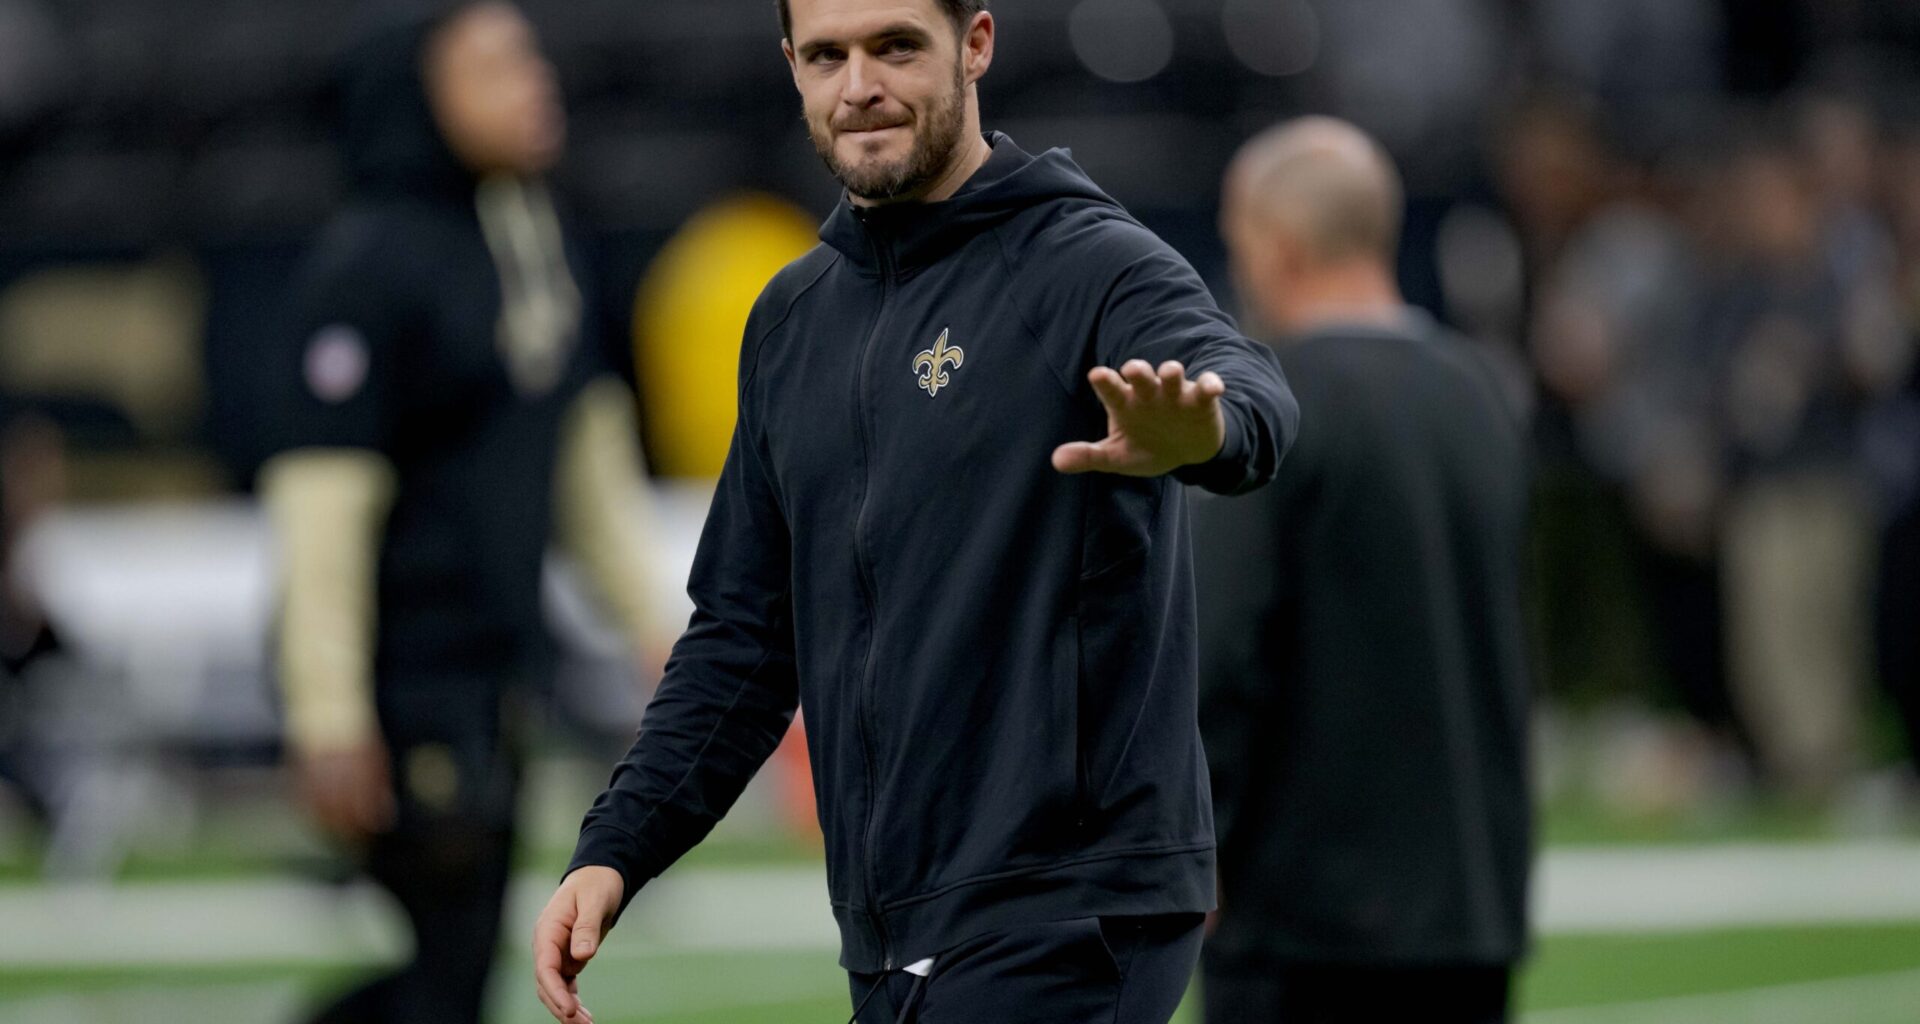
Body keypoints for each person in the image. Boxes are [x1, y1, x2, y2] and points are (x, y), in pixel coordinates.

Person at [531, 2, 1298, 1022]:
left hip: (1067, 914)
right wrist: (616, 848)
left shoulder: (1088, 261)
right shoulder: (793, 320)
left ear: (975, 45)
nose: (859, 87)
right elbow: (744, 643)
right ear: (791, 68)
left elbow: (1247, 387)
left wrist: (1206, 433)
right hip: (896, 929)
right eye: (826, 56)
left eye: (896, 46)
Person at [260, 4, 657, 1022]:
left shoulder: (532, 235)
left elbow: (585, 457)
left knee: (462, 968)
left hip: (495, 670)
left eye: (527, 55)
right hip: (408, 676)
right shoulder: (370, 262)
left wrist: (657, 624)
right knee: (444, 976)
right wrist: (328, 708)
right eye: (490, 66)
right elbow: (321, 509)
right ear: (419, 95)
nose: (534, 79)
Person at [1193, 117, 1532, 1024]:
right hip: (1472, 908)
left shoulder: (1274, 402)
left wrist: (1192, 845)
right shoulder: (1482, 392)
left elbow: (1218, 650)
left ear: (1281, 246)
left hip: (1304, 920)